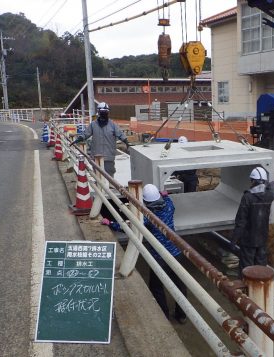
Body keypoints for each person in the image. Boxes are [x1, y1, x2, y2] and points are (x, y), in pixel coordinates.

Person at [102, 184, 188, 324]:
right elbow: (167, 199)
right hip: (176, 252)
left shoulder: (147, 217)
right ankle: (182, 315)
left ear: (145, 202)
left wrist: (110, 223)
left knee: (157, 287)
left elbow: (129, 227)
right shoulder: (169, 206)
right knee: (179, 285)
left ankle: (164, 316)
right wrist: (164, 195)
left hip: (159, 257)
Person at [231, 167, 274, 276]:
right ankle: (259, 287)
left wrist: (234, 239)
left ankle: (246, 290)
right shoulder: (270, 195)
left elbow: (241, 221)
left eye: (251, 180)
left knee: (246, 269)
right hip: (262, 239)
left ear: (254, 181)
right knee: (261, 267)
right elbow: (270, 189)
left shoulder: (247, 197)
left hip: (248, 240)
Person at [72, 102, 130, 177]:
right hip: (96, 156)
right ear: (98, 112)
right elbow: (85, 134)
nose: (103, 113)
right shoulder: (93, 124)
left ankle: (109, 188)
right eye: (102, 112)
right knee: (98, 176)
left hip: (108, 156)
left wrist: (126, 142)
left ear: (108, 112)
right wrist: (77, 139)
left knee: (109, 176)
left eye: (105, 112)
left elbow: (120, 134)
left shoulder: (113, 125)